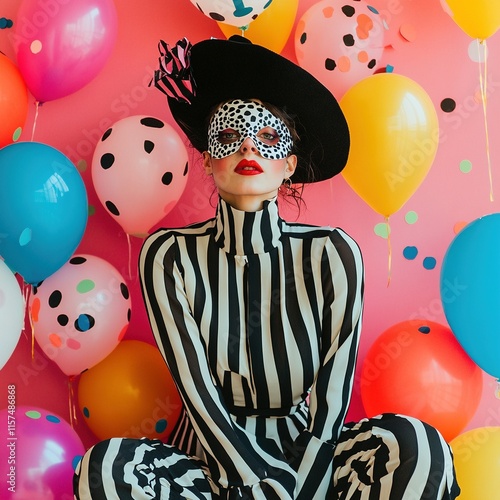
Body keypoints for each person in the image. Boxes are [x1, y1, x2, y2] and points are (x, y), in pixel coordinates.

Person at [74, 35, 460, 499]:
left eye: (269, 137)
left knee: (420, 448)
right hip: (208, 461)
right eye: (230, 136)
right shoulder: (169, 254)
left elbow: (333, 394)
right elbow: (196, 391)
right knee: (106, 468)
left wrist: (305, 482)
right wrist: (255, 479)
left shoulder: (332, 254)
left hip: (309, 456)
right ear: (210, 158)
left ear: (289, 165)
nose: (248, 149)